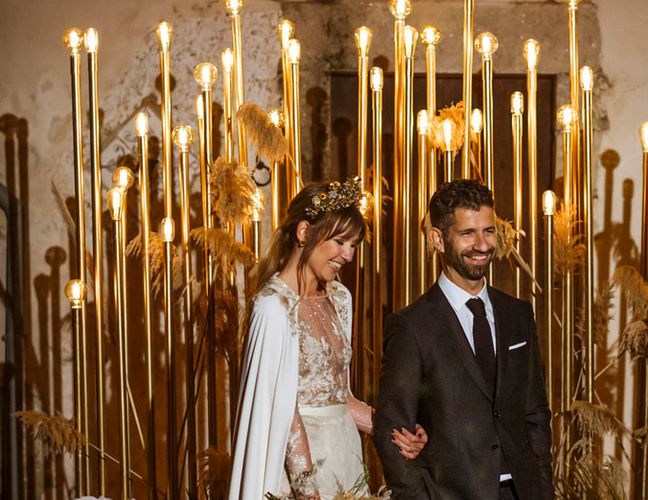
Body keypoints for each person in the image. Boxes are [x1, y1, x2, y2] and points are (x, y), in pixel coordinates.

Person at [228, 178, 426, 500]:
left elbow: (341, 398)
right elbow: (285, 412)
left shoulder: (339, 298)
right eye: (340, 242)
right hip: (299, 471)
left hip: (344, 459)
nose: (348, 255)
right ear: (305, 233)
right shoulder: (273, 307)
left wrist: (392, 430)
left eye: (354, 245)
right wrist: (308, 492)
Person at [373, 179, 554, 500]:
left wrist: (541, 488)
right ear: (438, 239)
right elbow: (393, 429)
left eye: (488, 231)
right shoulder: (411, 327)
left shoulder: (519, 315)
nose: (482, 245)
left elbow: (535, 412)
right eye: (467, 233)